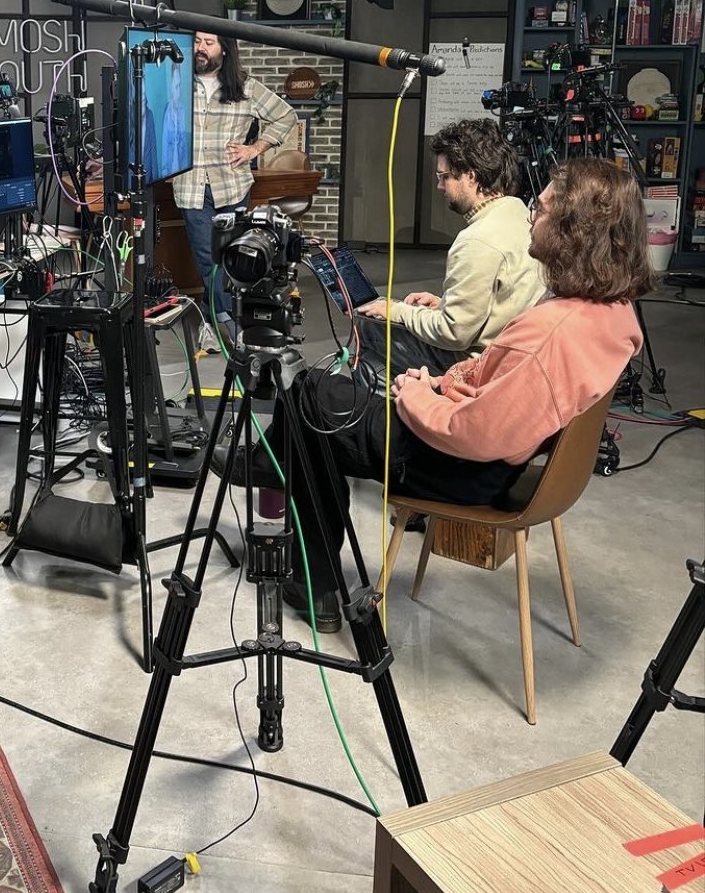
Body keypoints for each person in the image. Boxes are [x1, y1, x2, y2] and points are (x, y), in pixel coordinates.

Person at [218, 158, 651, 632]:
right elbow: (500, 376)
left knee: (308, 398)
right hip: (483, 449)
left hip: (461, 467)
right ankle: (282, 482)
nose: (531, 214)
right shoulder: (611, 312)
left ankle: (309, 563)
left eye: (542, 208)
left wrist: (418, 397)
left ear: (574, 230)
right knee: (316, 406)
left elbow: (477, 433)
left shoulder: (556, 331)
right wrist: (444, 385)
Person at [355, 118, 545, 382]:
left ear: (470, 175)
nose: (439, 186)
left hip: (477, 364)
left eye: (444, 176)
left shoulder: (477, 241)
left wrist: (398, 311)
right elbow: (501, 300)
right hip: (510, 354)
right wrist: (444, 305)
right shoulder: (520, 214)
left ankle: (385, 415)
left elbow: (454, 334)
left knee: (372, 326)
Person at [177, 31, 297, 351]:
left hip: (232, 186)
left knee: (233, 260)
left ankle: (221, 319)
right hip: (191, 187)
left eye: (208, 42)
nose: (200, 48)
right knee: (207, 260)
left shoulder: (246, 87)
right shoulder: (177, 82)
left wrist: (255, 148)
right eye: (197, 41)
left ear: (225, 50)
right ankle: (224, 321)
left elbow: (286, 115)